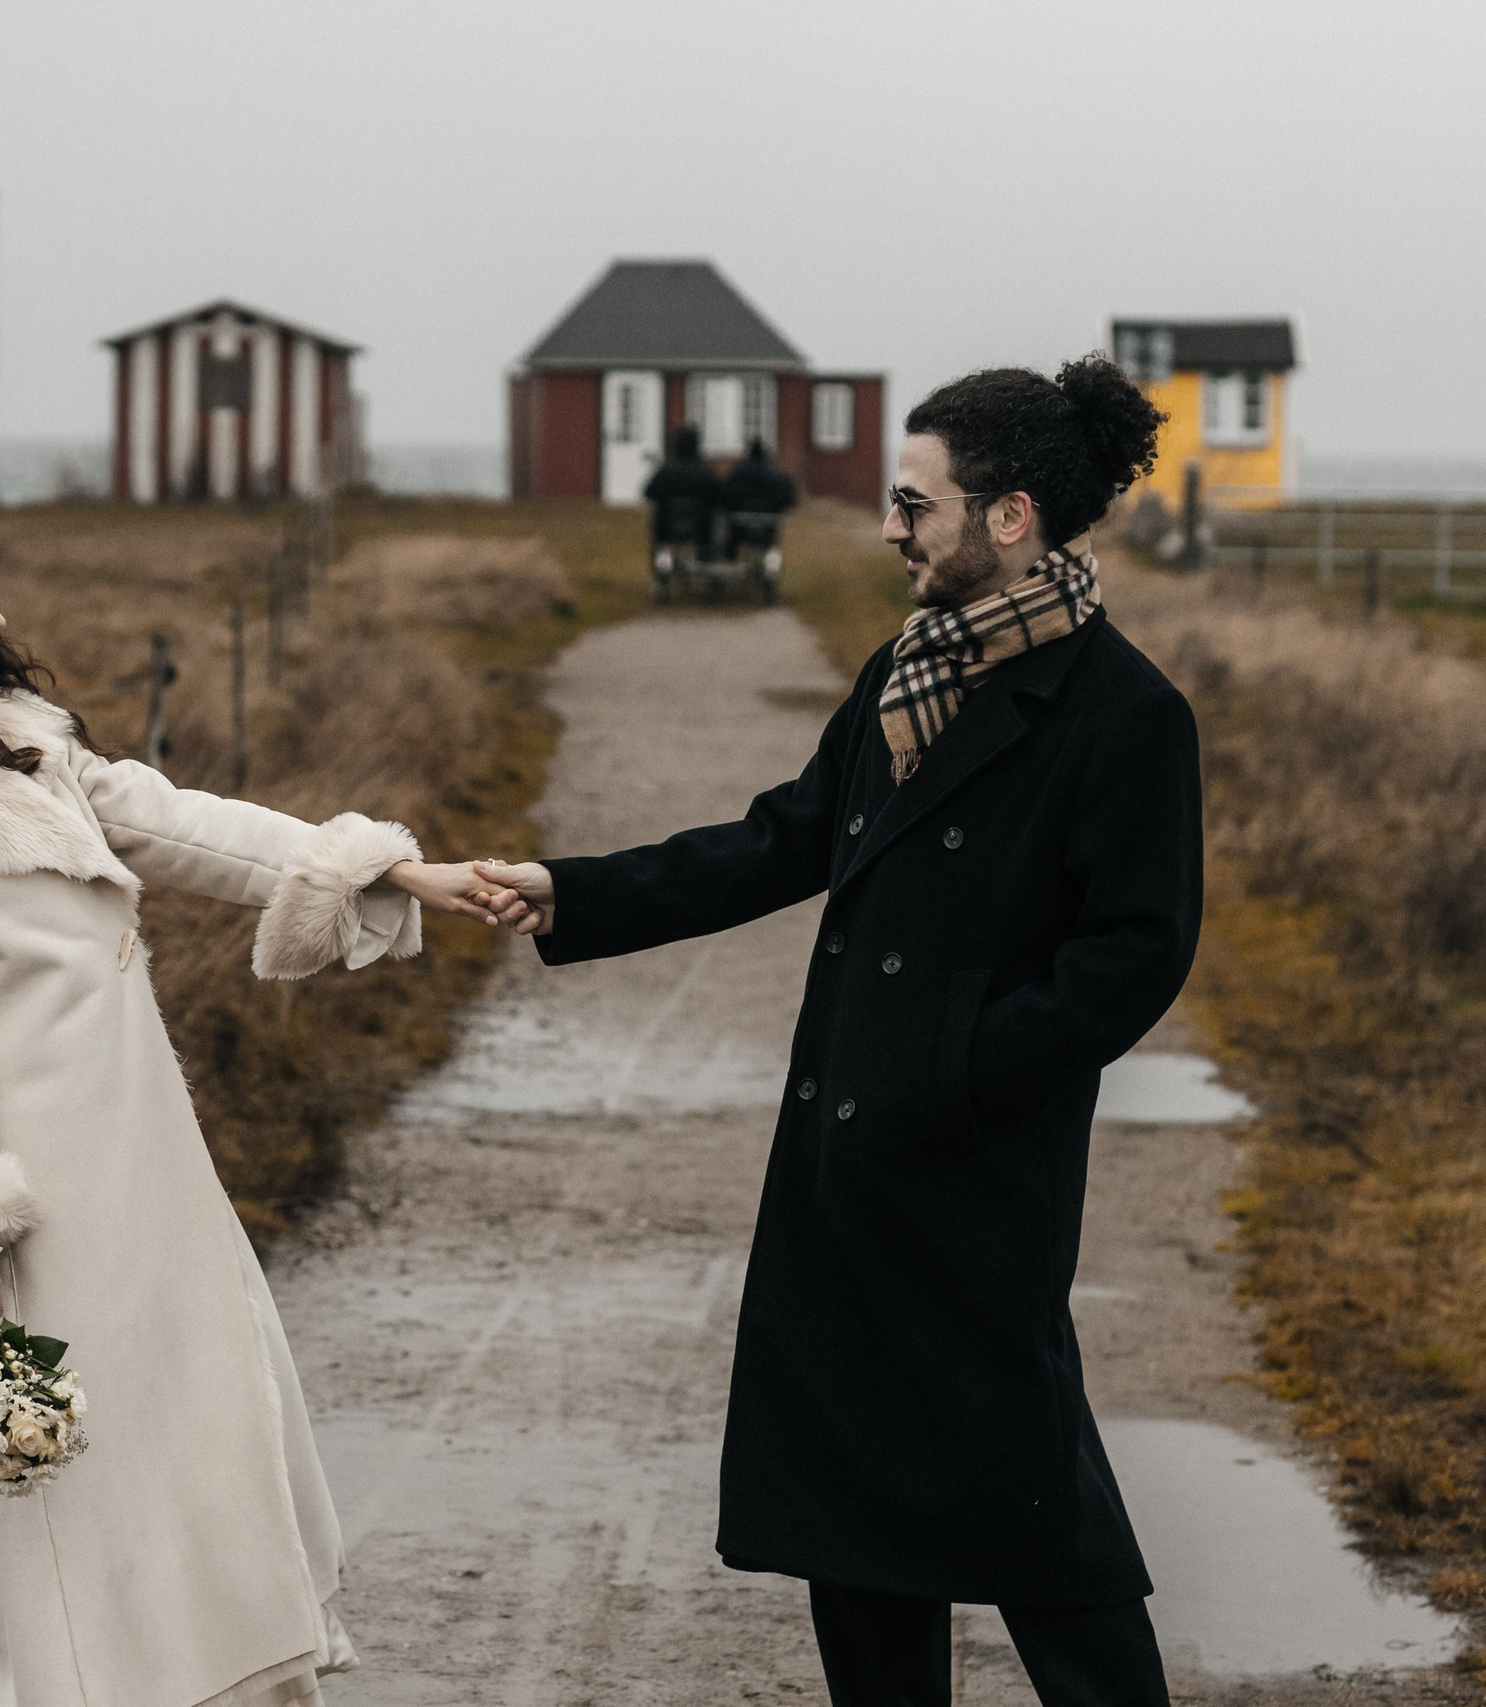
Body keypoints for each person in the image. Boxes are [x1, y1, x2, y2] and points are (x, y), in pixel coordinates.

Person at [476, 357, 1196, 1707]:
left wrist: (961, 1070)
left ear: (1013, 517)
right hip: (844, 1177)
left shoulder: (1125, 714)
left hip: (977, 1180)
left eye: (914, 501)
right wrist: (571, 890)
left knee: (1046, 1532)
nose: (890, 527)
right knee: (856, 1539)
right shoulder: (907, 672)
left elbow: (1134, 959)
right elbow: (783, 837)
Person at [0, 502, 509, 1707]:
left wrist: (389, 869)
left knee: (207, 1419)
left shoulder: (27, 741)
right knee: (82, 1470)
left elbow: (190, 826)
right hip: (40, 1186)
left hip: (148, 1153)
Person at [643, 421, 723, 561]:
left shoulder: (666, 471)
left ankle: (661, 564)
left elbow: (648, 492)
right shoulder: (705, 472)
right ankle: (706, 562)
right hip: (700, 529)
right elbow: (719, 497)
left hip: (667, 528)